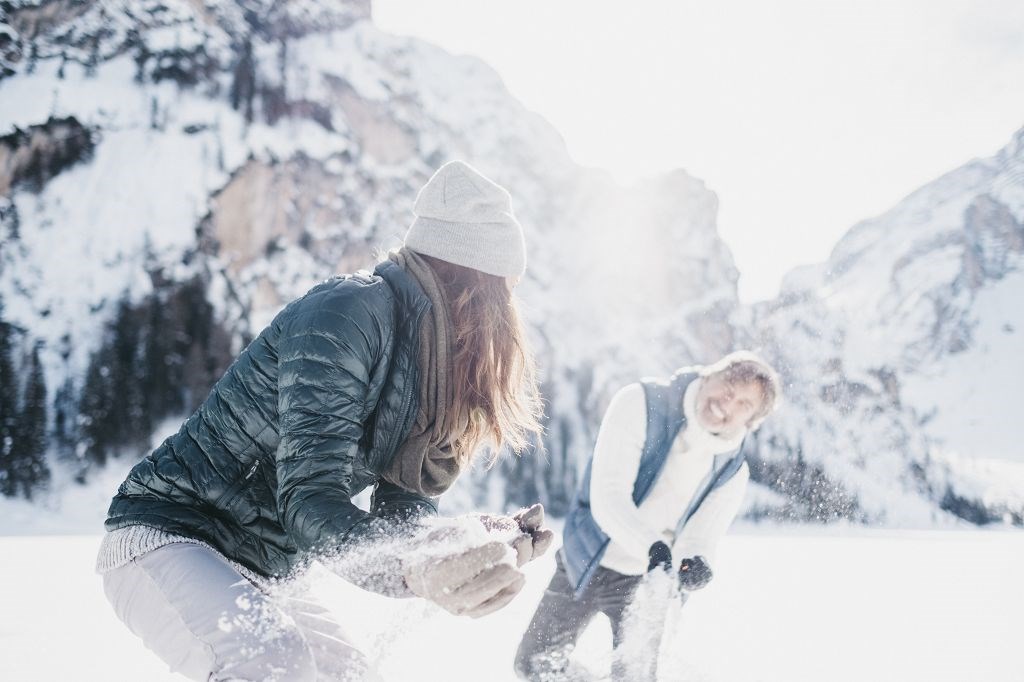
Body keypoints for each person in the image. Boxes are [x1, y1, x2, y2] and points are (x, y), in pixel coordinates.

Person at [97, 160, 554, 682]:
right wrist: (414, 570)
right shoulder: (348, 313)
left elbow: (403, 509)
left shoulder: (433, 368)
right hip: (173, 531)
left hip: (266, 569)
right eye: (504, 292)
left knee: (347, 675)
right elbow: (309, 498)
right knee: (273, 667)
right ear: (475, 285)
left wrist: (466, 543)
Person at [514, 352, 781, 680]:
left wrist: (695, 564)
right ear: (709, 375)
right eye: (729, 386)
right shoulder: (640, 403)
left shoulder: (732, 470)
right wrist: (653, 547)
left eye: (744, 404)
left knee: (634, 678)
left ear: (751, 421)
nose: (728, 403)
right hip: (586, 558)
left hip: (647, 582)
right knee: (533, 665)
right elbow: (609, 496)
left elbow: (700, 537)